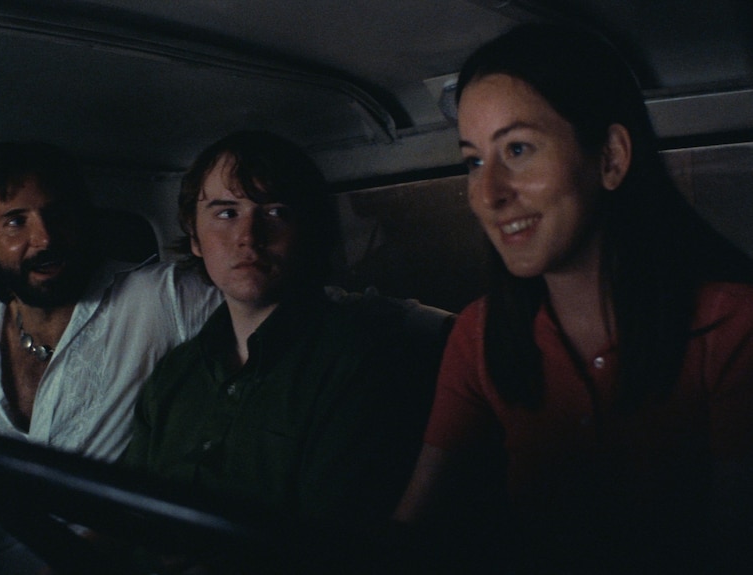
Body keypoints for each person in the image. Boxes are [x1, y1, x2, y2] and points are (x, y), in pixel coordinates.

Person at [393, 23, 753, 573]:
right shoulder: (480, 335)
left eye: (518, 149)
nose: (488, 194)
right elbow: (411, 532)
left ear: (610, 157)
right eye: (473, 161)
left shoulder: (733, 326)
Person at [120, 131, 442, 568]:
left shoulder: (357, 362)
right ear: (194, 237)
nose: (248, 237)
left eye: (275, 212)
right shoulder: (175, 374)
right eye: (226, 213)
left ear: (309, 233)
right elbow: (126, 513)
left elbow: (325, 547)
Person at [0, 141, 221, 462]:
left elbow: (261, 313)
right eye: (16, 221)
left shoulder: (160, 297)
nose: (45, 238)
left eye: (57, 214)